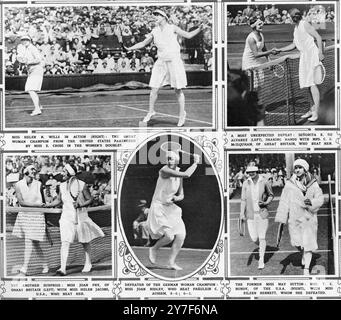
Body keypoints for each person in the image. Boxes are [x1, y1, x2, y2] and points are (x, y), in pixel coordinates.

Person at [125, 9, 205, 127]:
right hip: (161, 62)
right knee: (154, 89)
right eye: (154, 16)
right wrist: (130, 48)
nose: (155, 17)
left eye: (157, 15)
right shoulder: (155, 31)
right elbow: (143, 44)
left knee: (178, 90)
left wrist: (199, 29)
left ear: (164, 17)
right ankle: (151, 111)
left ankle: (182, 114)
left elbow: (188, 35)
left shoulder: (173, 28)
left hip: (174, 61)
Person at [147, 150, 200, 270]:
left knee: (181, 235)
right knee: (169, 236)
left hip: (170, 208)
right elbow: (187, 174)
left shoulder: (178, 174)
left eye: (171, 158)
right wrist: (195, 163)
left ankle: (171, 262)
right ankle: (154, 248)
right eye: (168, 158)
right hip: (158, 206)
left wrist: (176, 198)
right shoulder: (164, 170)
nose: (169, 161)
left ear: (177, 160)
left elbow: (181, 195)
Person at [49, 163, 104, 276]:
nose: (62, 173)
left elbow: (90, 199)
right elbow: (58, 200)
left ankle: (88, 263)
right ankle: (62, 268)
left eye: (64, 171)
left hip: (80, 217)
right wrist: (48, 205)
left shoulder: (82, 185)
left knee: (84, 241)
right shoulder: (62, 185)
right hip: (66, 217)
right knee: (65, 242)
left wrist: (80, 205)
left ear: (70, 174)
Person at [273, 9, 324, 122]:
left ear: (297, 16)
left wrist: (320, 52)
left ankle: (316, 112)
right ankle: (312, 109)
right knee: (307, 85)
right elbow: (294, 45)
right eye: (292, 16)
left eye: (295, 15)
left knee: (312, 84)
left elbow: (318, 37)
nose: (293, 17)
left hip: (312, 56)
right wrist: (280, 50)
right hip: (304, 58)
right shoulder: (295, 29)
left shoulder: (304, 24)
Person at [275, 159, 324, 275]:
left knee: (308, 243)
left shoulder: (313, 183)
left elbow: (320, 198)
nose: (297, 170)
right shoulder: (289, 184)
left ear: (305, 169)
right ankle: (303, 252)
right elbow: (284, 201)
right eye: (295, 168)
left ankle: (306, 268)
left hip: (309, 218)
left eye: (300, 167)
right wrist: (282, 217)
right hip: (294, 218)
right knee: (297, 242)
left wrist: (311, 202)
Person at [12, 165, 49, 275]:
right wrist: (37, 205)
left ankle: (43, 265)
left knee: (34, 243)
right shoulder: (18, 185)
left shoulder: (39, 184)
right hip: (25, 216)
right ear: (25, 171)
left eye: (34, 169)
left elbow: (44, 201)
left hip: (37, 216)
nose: (34, 171)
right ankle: (25, 267)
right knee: (29, 240)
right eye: (31, 169)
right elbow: (21, 202)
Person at [240, 163, 274, 269]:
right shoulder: (246, 183)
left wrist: (265, 203)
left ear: (257, 171)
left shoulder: (264, 181)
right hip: (250, 216)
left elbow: (271, 195)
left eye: (253, 171)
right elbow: (243, 200)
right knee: (255, 239)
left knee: (262, 237)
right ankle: (262, 247)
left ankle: (261, 259)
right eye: (249, 172)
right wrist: (241, 213)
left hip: (262, 214)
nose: (251, 174)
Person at [16, 35, 44, 116]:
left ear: (29, 40)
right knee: (32, 90)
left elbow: (38, 59)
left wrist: (28, 62)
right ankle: (39, 106)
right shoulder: (26, 49)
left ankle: (37, 109)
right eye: (23, 40)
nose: (24, 41)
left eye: (26, 40)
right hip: (32, 70)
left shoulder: (32, 48)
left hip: (36, 69)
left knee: (30, 89)